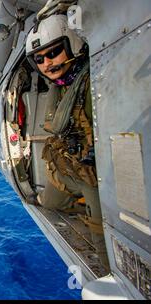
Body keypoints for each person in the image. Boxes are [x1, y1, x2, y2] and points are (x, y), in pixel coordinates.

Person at [25, 14, 109, 269]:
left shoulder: (93, 80)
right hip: (69, 168)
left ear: (72, 44)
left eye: (54, 52)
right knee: (48, 203)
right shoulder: (61, 85)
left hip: (97, 177)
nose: (47, 63)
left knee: (106, 253)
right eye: (39, 59)